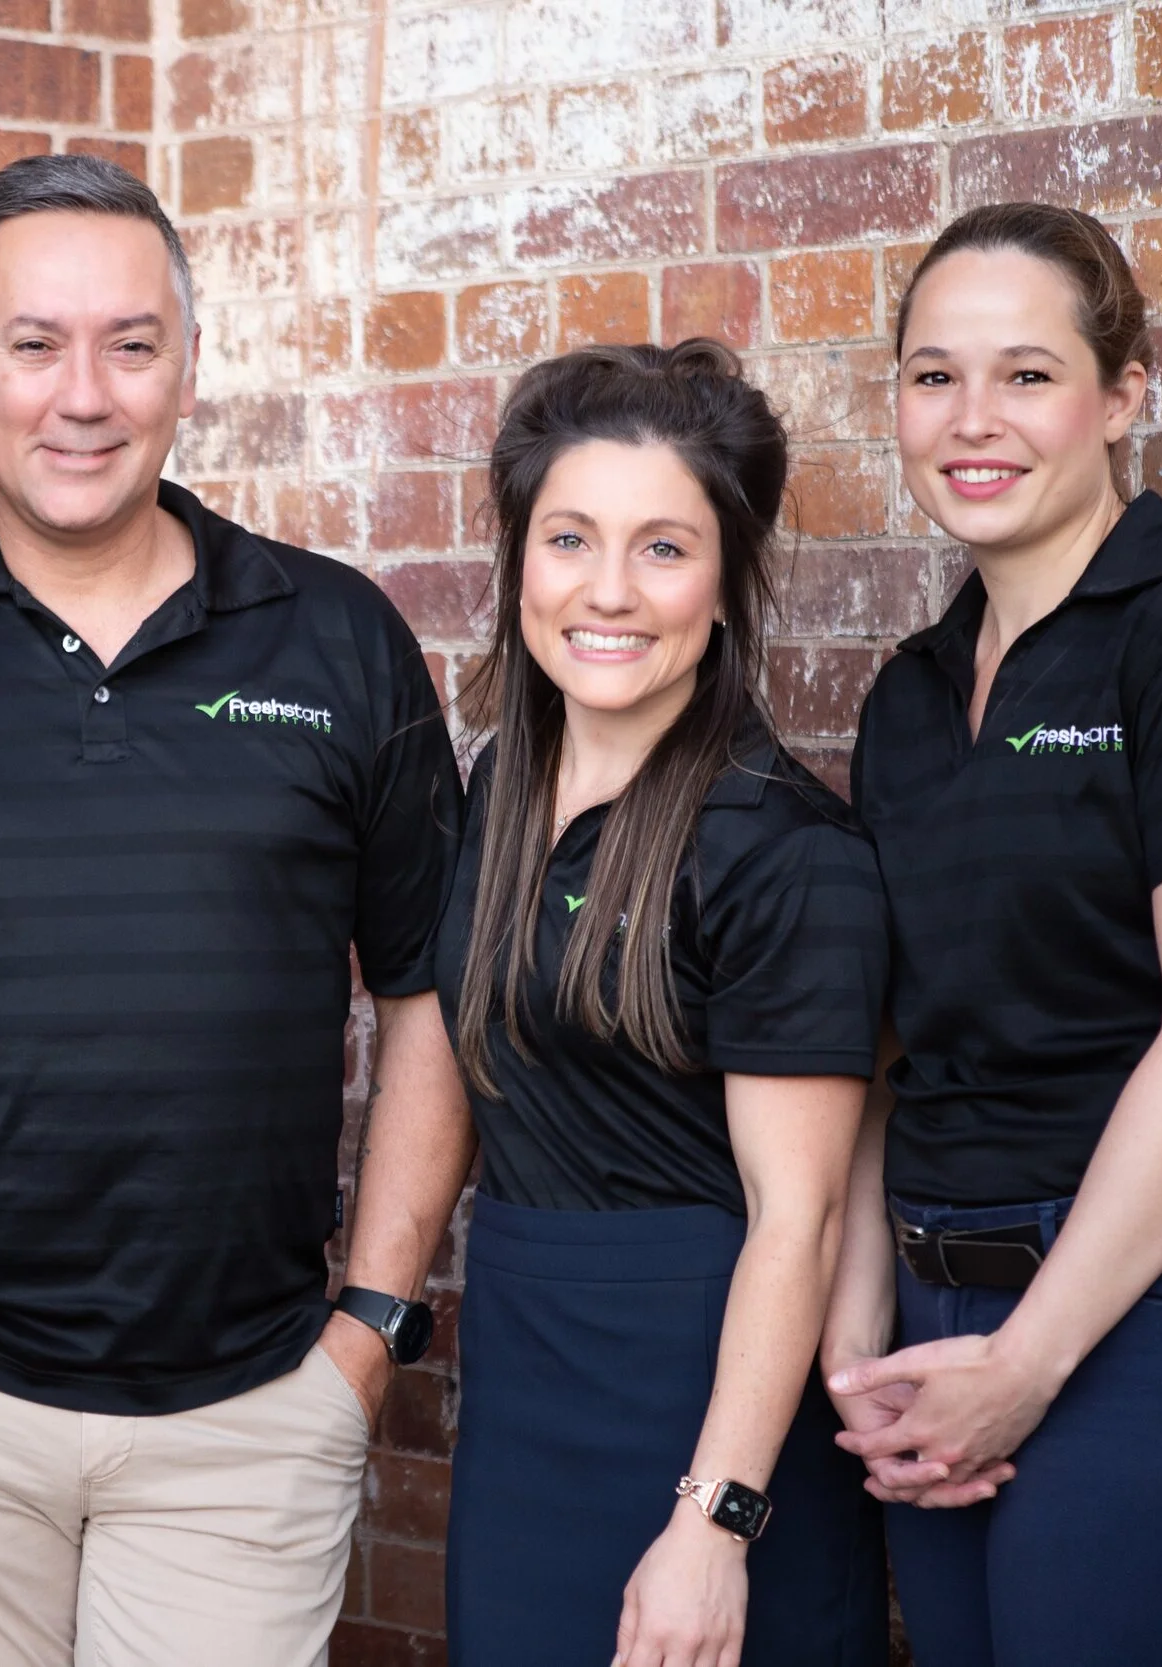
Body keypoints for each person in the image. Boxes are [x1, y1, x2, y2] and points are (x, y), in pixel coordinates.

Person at [0, 152, 470, 1667]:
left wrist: (369, 1330)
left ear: (190, 365)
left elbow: (431, 992)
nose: (81, 396)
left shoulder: (338, 632)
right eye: (36, 344)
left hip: (253, 1407)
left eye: (130, 344)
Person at [823, 201, 1162, 1667]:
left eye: (1028, 374)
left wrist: (1027, 1362)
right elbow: (884, 1053)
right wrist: (856, 1348)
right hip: (935, 1313)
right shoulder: (908, 695)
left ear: (1124, 395)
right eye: (933, 375)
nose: (974, 419)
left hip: (1157, 1313)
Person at [432, 341, 890, 1667]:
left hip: (705, 1392)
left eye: (663, 548)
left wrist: (717, 1518)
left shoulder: (782, 848)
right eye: (570, 537)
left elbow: (796, 1217)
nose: (609, 592)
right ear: (519, 554)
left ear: (729, 580)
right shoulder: (493, 797)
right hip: (524, 1384)